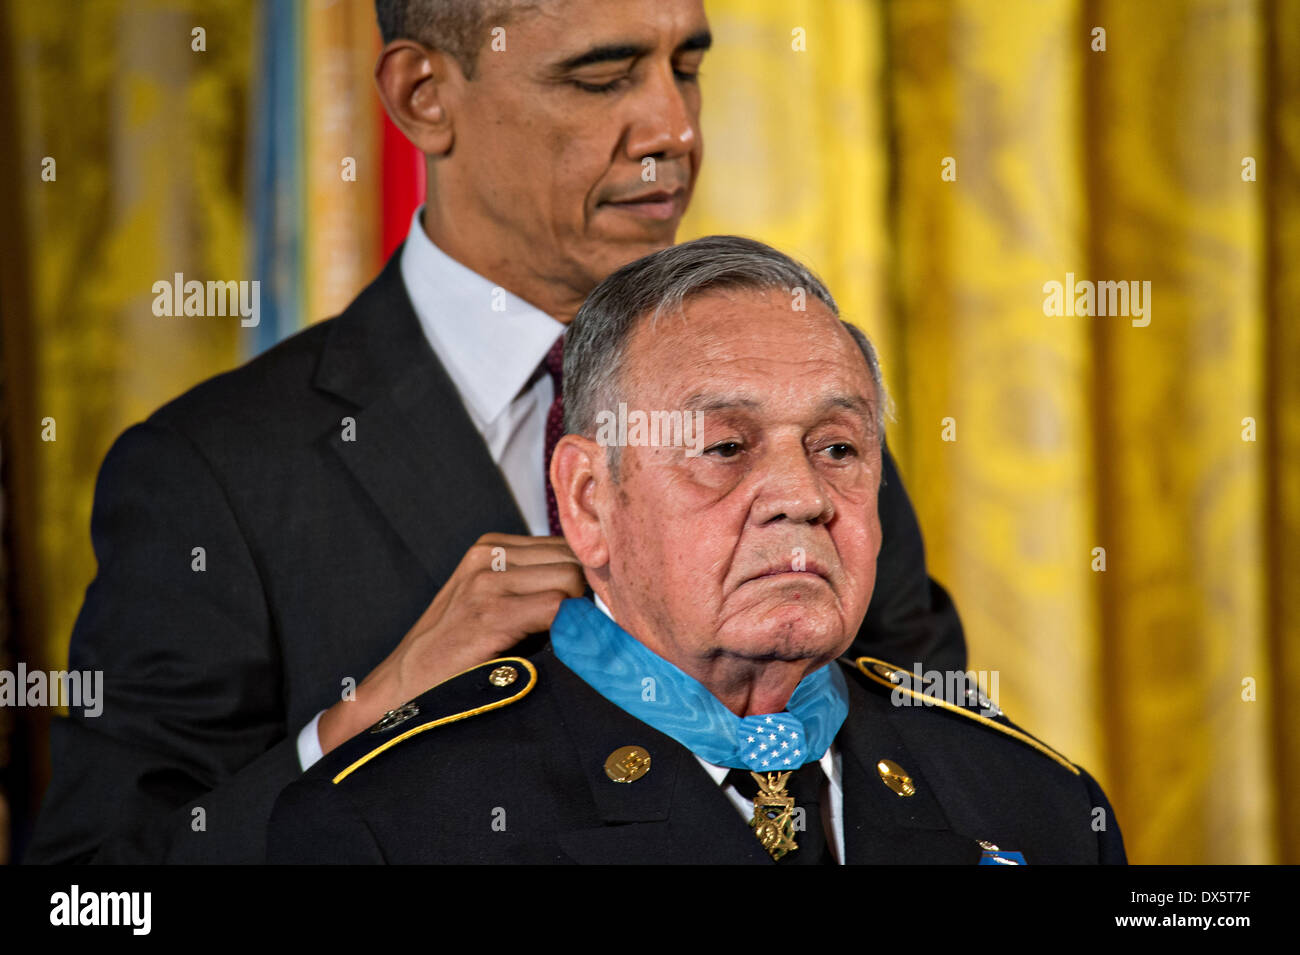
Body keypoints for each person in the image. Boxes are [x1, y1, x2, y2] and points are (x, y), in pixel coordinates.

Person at [27, 0, 964, 864]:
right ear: (423, 97)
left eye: (687, 68)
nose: (673, 129)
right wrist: (368, 714)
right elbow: (98, 891)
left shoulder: (804, 416)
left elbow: (955, 788)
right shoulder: (214, 473)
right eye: (602, 77)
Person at [268, 236, 1125, 865]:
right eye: (725, 447)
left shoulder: (1040, 807)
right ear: (588, 501)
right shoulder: (388, 827)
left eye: (836, 448)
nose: (801, 496)